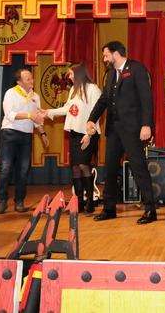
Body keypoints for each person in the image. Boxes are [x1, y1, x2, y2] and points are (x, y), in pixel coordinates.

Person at [86, 41, 157, 225]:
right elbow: (104, 99)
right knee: (109, 168)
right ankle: (109, 208)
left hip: (133, 128)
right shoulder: (111, 74)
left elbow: (146, 99)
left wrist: (146, 125)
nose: (104, 59)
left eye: (106, 55)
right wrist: (91, 119)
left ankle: (150, 209)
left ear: (115, 54)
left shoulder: (137, 69)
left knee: (138, 167)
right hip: (114, 128)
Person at [40, 62, 101, 214]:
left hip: (88, 133)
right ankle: (78, 202)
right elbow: (68, 108)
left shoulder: (93, 89)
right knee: (75, 167)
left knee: (83, 165)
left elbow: (96, 113)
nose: (69, 77)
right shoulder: (74, 89)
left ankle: (90, 201)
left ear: (79, 74)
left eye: (72, 74)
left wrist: (89, 134)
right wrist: (49, 112)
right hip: (75, 132)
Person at [0, 69, 49, 214]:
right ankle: (2, 201)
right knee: (6, 168)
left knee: (23, 170)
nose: (32, 81)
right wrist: (30, 115)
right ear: (19, 82)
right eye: (28, 79)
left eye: (31, 78)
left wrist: (43, 133)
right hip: (10, 133)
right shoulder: (11, 93)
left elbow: (37, 118)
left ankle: (19, 201)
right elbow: (10, 114)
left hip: (26, 135)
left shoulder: (35, 96)